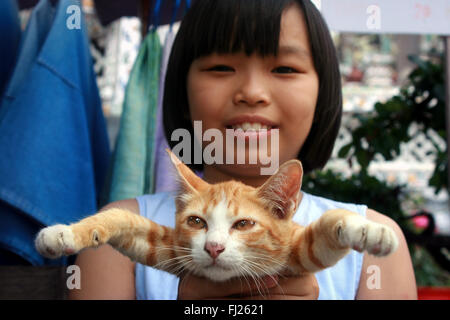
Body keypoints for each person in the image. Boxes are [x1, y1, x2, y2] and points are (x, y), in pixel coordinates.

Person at [69, 0, 417, 300]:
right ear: (180, 89)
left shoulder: (371, 244)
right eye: (221, 68)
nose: (251, 92)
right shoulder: (116, 239)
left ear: (322, 93)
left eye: (284, 68)